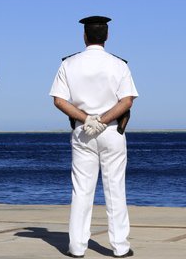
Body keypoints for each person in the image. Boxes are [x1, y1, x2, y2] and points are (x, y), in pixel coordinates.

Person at [49, 15, 138, 258]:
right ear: (107, 36)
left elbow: (59, 100)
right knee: (115, 189)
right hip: (112, 132)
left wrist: (87, 120)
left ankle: (77, 248)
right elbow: (127, 100)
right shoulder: (119, 64)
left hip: (82, 131)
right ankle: (120, 247)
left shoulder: (68, 64)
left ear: (84, 36)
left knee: (82, 191)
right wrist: (103, 121)